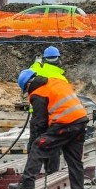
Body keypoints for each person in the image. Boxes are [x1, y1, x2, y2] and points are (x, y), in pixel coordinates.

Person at [9, 69, 89, 189]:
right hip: (80, 121)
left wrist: (35, 143)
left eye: (26, 89)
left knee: (38, 147)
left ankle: (27, 182)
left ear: (28, 84)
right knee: (75, 163)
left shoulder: (38, 93)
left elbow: (39, 123)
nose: (27, 92)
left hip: (65, 123)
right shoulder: (55, 81)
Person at [28, 45, 68, 173]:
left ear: (44, 59)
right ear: (59, 60)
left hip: (38, 114)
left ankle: (31, 175)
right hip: (54, 118)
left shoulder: (37, 70)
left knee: (35, 145)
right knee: (53, 147)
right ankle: (51, 173)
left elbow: (28, 73)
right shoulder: (62, 78)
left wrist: (37, 62)